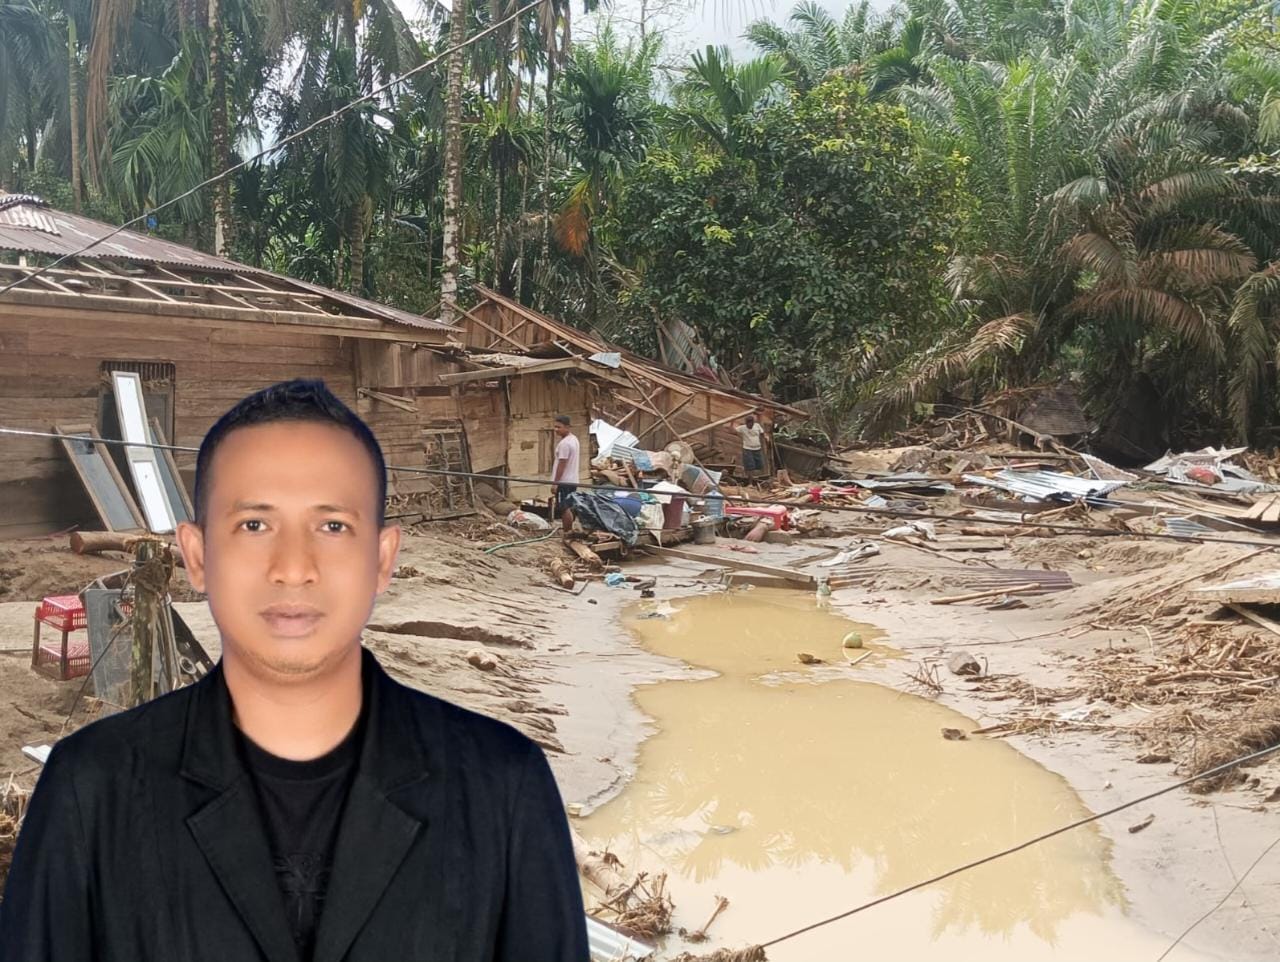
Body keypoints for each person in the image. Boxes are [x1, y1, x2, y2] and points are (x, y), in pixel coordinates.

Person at [0, 379, 588, 962]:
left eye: (333, 526)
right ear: (198, 557)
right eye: (254, 525)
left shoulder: (502, 790)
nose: (293, 568)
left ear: (382, 560)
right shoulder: (90, 793)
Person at [550, 414, 580, 535]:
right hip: (572, 479)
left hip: (564, 481)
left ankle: (567, 532)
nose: (556, 430)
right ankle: (569, 530)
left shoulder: (565, 444)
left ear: (567, 427)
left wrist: (555, 483)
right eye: (555, 427)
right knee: (569, 506)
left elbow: (561, 465)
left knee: (564, 507)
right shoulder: (574, 439)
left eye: (559, 427)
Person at [735, 413, 768, 482]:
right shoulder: (742, 428)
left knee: (759, 465)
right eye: (748, 424)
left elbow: (762, 433)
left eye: (751, 423)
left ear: (753, 423)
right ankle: (750, 482)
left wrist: (766, 437)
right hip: (747, 449)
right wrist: (732, 421)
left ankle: (758, 479)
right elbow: (732, 430)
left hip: (757, 449)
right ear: (746, 423)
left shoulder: (757, 426)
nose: (749, 425)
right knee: (750, 466)